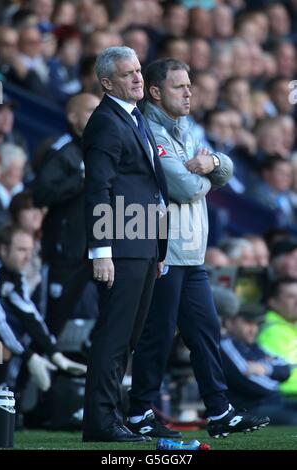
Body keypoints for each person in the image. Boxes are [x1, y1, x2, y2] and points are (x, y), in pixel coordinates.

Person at [127, 58, 269, 439]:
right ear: (155, 92)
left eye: (190, 84)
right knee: (157, 337)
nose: (189, 91)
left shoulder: (186, 130)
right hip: (164, 252)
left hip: (191, 252)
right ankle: (139, 410)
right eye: (179, 86)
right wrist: (208, 172)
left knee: (206, 331)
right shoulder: (150, 133)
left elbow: (226, 168)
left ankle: (220, 410)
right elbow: (185, 188)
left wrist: (210, 162)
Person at [82, 47, 169, 443]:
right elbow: (98, 189)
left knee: (128, 338)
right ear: (106, 83)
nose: (138, 78)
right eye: (127, 73)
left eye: (138, 70)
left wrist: (157, 249)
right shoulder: (105, 122)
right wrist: (102, 251)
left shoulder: (133, 117)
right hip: (121, 245)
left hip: (143, 245)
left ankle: (109, 417)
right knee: (114, 336)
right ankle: (101, 422)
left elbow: (147, 186)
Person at [33, 93, 100, 336]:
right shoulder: (62, 149)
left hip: (94, 249)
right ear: (72, 117)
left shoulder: (98, 150)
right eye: (91, 110)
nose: (98, 115)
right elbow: (41, 193)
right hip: (64, 252)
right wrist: (81, 178)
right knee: (52, 320)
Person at [0, 225, 86, 391]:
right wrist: (29, 356)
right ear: (3, 249)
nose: (28, 257)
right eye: (22, 250)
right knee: (1, 352)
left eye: (30, 251)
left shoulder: (13, 273)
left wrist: (54, 353)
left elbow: (29, 314)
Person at [220, 304, 297, 425]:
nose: (253, 329)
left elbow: (285, 369)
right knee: (293, 419)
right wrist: (275, 381)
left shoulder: (253, 346)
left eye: (255, 324)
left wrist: (266, 369)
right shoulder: (226, 345)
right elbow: (251, 383)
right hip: (247, 410)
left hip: (273, 404)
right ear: (229, 322)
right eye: (247, 323)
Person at [258, 277, 297, 398]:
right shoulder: (271, 332)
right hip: (288, 401)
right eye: (291, 297)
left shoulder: (291, 326)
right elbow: (284, 379)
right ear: (273, 302)